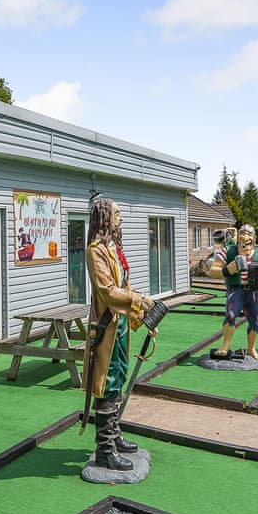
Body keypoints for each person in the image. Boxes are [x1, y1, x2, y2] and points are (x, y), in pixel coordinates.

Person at [81, 198, 157, 471]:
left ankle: (114, 435)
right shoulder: (95, 251)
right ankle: (104, 450)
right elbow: (108, 291)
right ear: (104, 218)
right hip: (106, 327)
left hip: (120, 325)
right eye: (117, 214)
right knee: (108, 382)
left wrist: (141, 316)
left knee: (118, 378)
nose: (121, 218)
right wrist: (139, 300)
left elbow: (124, 284)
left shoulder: (113, 249)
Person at [208, 224, 258, 360]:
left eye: (249, 234)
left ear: (254, 238)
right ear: (238, 237)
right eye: (243, 233)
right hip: (236, 290)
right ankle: (225, 346)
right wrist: (227, 270)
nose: (245, 237)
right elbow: (212, 271)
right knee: (231, 315)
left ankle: (251, 349)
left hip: (251, 293)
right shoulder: (229, 251)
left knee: (255, 321)